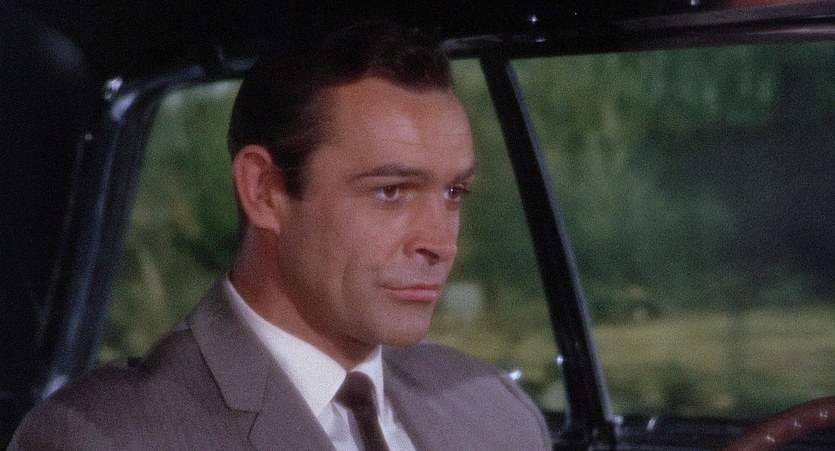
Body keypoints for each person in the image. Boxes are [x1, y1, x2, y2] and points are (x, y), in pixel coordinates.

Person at [9, 22, 551, 450]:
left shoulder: (495, 413)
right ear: (264, 191)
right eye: (390, 192)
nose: (442, 243)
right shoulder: (107, 438)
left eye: (454, 192)